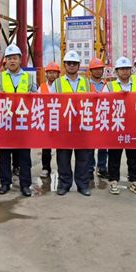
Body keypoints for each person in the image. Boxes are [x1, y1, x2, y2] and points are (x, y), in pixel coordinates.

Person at [0, 45, 37, 197]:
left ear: (20, 60)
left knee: (24, 156)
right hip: (6, 122)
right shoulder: (0, 77)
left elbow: (38, 97)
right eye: (9, 58)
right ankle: (5, 183)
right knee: (5, 155)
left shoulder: (29, 77)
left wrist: (32, 95)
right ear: (6, 60)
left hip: (23, 122)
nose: (12, 61)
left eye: (15, 58)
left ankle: (25, 184)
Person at [49, 50, 92, 196]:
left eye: (74, 63)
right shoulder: (57, 83)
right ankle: (65, 184)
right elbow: (51, 104)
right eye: (69, 63)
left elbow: (92, 104)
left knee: (83, 157)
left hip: (82, 126)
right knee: (63, 157)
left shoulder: (86, 83)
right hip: (64, 127)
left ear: (79, 65)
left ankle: (82, 185)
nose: (72, 66)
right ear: (65, 65)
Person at [103, 56, 136, 196]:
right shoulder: (109, 86)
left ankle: (134, 181)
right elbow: (103, 105)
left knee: (133, 155)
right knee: (114, 155)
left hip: (132, 126)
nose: (125, 71)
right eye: (122, 69)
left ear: (131, 71)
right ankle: (113, 181)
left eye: (127, 69)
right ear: (116, 71)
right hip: (116, 125)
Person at [87, 58, 109, 179]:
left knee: (103, 146)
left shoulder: (108, 85)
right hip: (90, 118)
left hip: (104, 118)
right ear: (90, 71)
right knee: (90, 147)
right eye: (95, 69)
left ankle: (102, 168)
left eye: (100, 69)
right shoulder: (85, 84)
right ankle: (90, 169)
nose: (97, 71)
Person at [39, 62, 61, 178]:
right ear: (46, 74)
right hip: (46, 120)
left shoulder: (61, 86)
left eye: (54, 72)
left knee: (60, 148)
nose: (52, 75)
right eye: (50, 72)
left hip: (59, 120)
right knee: (46, 147)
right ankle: (46, 168)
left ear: (58, 74)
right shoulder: (41, 87)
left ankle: (61, 169)